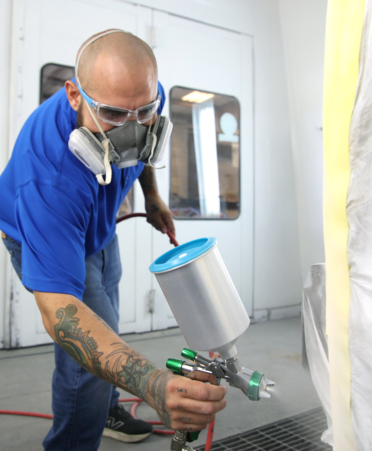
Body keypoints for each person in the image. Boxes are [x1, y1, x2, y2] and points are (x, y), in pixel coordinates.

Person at [0, 29, 227, 451]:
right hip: (46, 228)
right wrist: (153, 385)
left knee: (110, 329)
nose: (132, 130)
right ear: (74, 95)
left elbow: (141, 145)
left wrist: (153, 197)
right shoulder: (48, 177)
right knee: (87, 350)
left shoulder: (137, 95)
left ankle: (103, 408)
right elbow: (61, 313)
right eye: (114, 116)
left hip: (101, 228)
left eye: (143, 113)